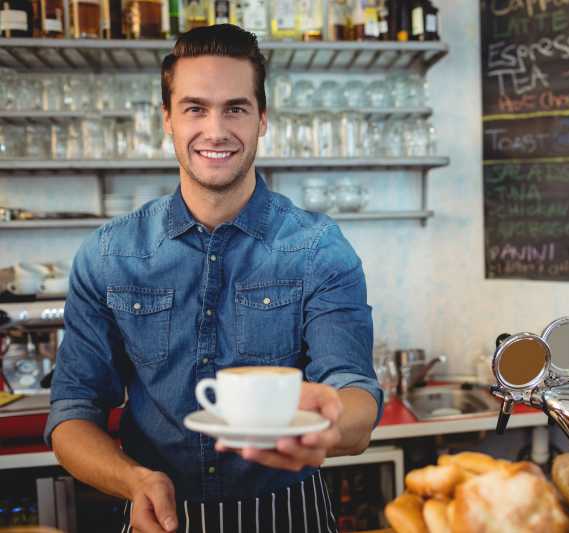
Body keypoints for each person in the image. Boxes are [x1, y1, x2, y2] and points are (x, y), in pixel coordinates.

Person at [44, 24, 382, 533]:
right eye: (196, 108)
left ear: (262, 119)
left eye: (236, 108)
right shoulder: (109, 254)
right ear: (168, 119)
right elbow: (72, 412)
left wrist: (333, 424)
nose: (216, 129)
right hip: (156, 511)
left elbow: (354, 389)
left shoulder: (318, 248)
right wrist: (133, 480)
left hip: (290, 514)